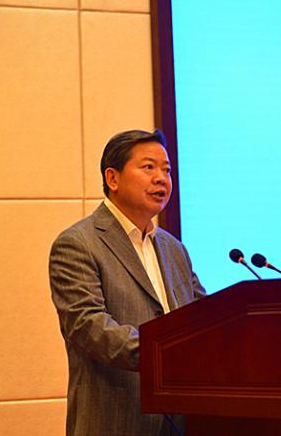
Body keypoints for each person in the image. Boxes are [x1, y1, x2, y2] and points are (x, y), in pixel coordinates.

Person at [49, 129, 207, 436]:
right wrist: (165, 354)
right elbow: (89, 327)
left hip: (178, 422)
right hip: (115, 421)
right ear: (113, 178)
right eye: (148, 167)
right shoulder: (78, 244)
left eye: (167, 170)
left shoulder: (174, 249)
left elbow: (205, 318)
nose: (161, 179)